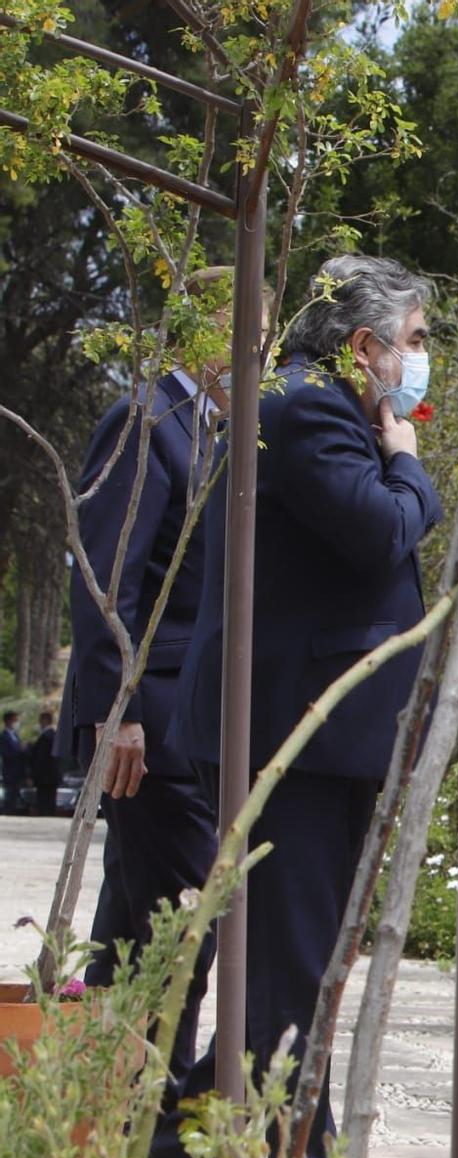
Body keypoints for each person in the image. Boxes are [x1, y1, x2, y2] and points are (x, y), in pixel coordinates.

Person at [162, 254, 445, 1158]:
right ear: (362, 344)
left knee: (293, 966)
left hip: (319, 738)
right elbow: (385, 531)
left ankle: (193, 1154)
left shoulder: (319, 409)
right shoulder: (309, 410)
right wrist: (407, 458)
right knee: (292, 972)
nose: (420, 364)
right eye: (411, 341)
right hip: (298, 738)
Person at [57, 265, 243, 1107]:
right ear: (207, 334)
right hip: (153, 721)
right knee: (178, 926)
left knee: (134, 925)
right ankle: (152, 1120)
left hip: (187, 718)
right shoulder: (147, 421)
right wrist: (116, 711)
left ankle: (97, 1111)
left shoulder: (214, 433)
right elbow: (107, 581)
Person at [28, 712, 59, 816]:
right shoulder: (54, 735)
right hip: (52, 776)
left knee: (45, 802)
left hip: (44, 777)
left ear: (44, 720)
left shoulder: (46, 737)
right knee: (50, 801)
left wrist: (33, 775)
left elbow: (40, 760)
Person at [0, 712, 25, 815]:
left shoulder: (15, 735)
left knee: (15, 795)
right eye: (15, 720)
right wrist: (19, 750)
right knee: (9, 795)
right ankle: (7, 813)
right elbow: (6, 753)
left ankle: (13, 812)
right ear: (8, 721)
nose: (16, 723)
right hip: (9, 771)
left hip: (17, 771)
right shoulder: (3, 736)